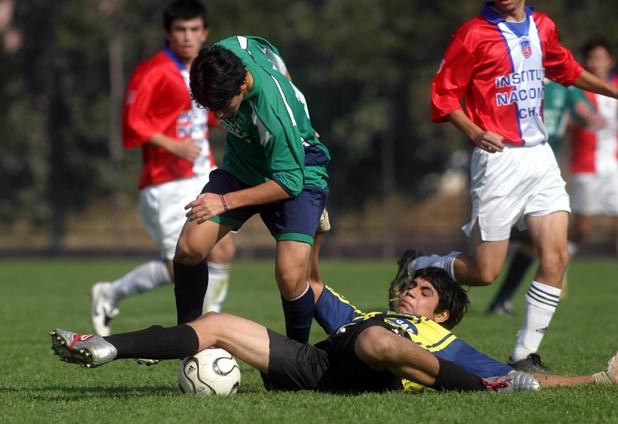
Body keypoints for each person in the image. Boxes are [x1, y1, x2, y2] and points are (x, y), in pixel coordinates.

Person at [410, 0, 618, 372]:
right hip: (498, 161)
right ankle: (421, 263)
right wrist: (475, 132)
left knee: (556, 256)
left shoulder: (543, 26)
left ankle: (524, 355)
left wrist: (613, 92)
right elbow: (442, 95)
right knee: (485, 272)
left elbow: (568, 70)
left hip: (540, 157)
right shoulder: (472, 35)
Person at [50, 264, 618, 393]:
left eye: (423, 292)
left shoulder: (444, 340)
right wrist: (313, 225)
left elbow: (517, 375)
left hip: (376, 370)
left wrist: (595, 379)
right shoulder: (364, 317)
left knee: (376, 342)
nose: (409, 292)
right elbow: (310, 281)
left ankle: (478, 392)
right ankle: (106, 346)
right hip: (321, 365)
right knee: (217, 322)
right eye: (410, 285)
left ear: (441, 313)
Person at [90, 0, 236, 338]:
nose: (187, 36)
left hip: (204, 174)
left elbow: (214, 115)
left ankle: (209, 327)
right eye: (180, 30)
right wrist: (172, 145)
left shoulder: (205, 70)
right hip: (165, 183)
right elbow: (132, 123)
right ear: (168, 33)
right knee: (181, 264)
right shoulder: (152, 71)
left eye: (194, 29)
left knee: (222, 249)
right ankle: (111, 293)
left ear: (205, 32)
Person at [171, 36, 329, 343]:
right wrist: (294, 98)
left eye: (223, 107)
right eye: (211, 107)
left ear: (243, 84)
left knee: (290, 276)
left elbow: (289, 182)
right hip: (242, 167)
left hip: (298, 172)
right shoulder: (226, 54)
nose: (218, 116)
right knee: (189, 247)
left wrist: (224, 202)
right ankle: (187, 341)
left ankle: (297, 356)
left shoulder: (272, 112)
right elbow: (267, 50)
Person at [486, 80, 603, 316]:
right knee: (487, 257)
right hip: (509, 166)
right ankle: (430, 266)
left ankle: (501, 302)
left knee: (533, 241)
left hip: (546, 170)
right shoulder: (517, 76)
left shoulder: (564, 85)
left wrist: (587, 117)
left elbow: (586, 115)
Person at [568, 37, 618, 257]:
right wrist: (582, 119)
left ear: (610, 61)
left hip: (614, 164)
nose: (597, 63)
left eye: (601, 58)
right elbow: (562, 119)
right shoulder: (576, 89)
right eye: (592, 58)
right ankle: (560, 261)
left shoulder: (615, 87)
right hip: (586, 165)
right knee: (583, 228)